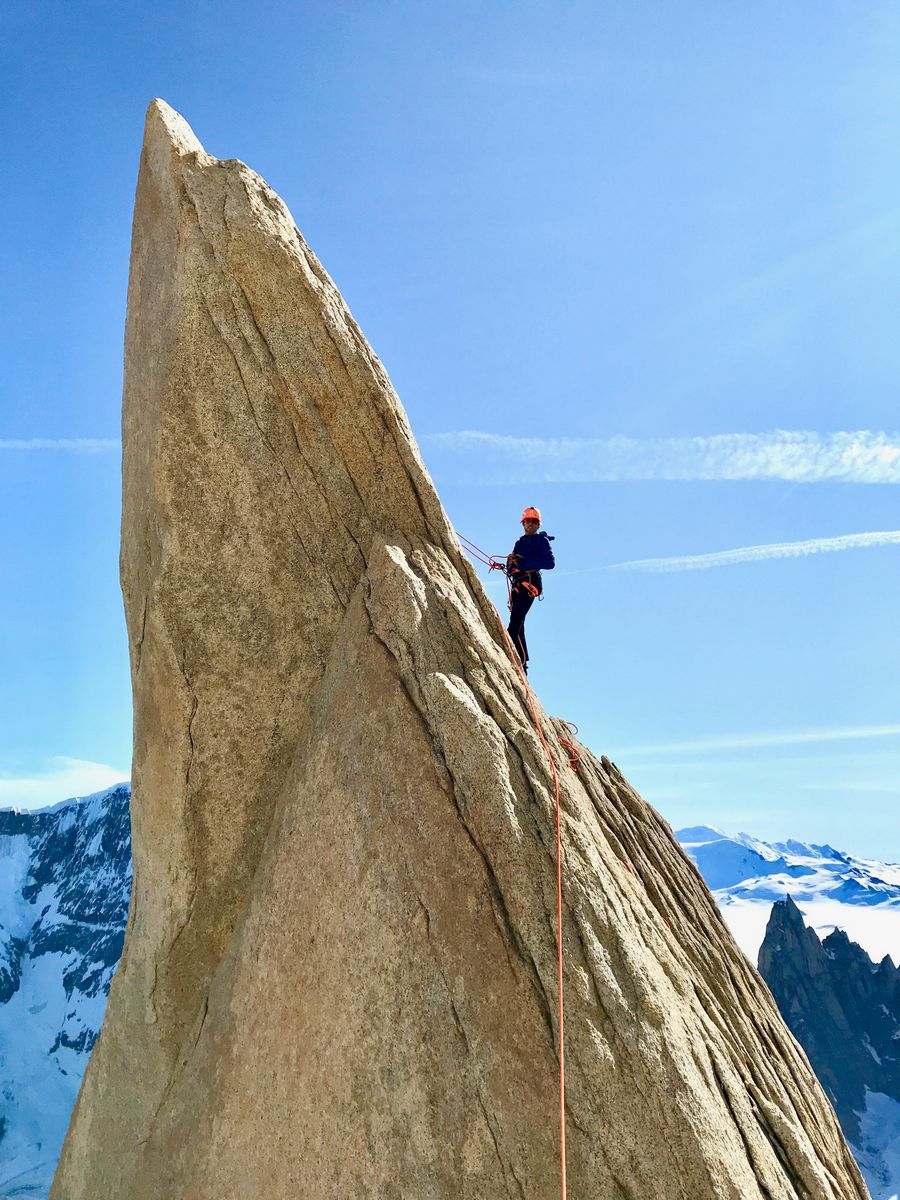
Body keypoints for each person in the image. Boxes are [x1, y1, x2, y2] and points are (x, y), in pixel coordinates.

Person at [506, 506, 555, 674]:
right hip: (518, 585)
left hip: (530, 583)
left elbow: (550, 563)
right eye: (528, 521)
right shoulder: (519, 543)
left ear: (538, 524)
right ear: (523, 523)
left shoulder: (541, 541)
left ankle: (514, 660)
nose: (530, 524)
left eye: (534, 521)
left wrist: (524, 563)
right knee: (518, 625)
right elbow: (513, 564)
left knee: (514, 625)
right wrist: (511, 565)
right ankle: (523, 662)